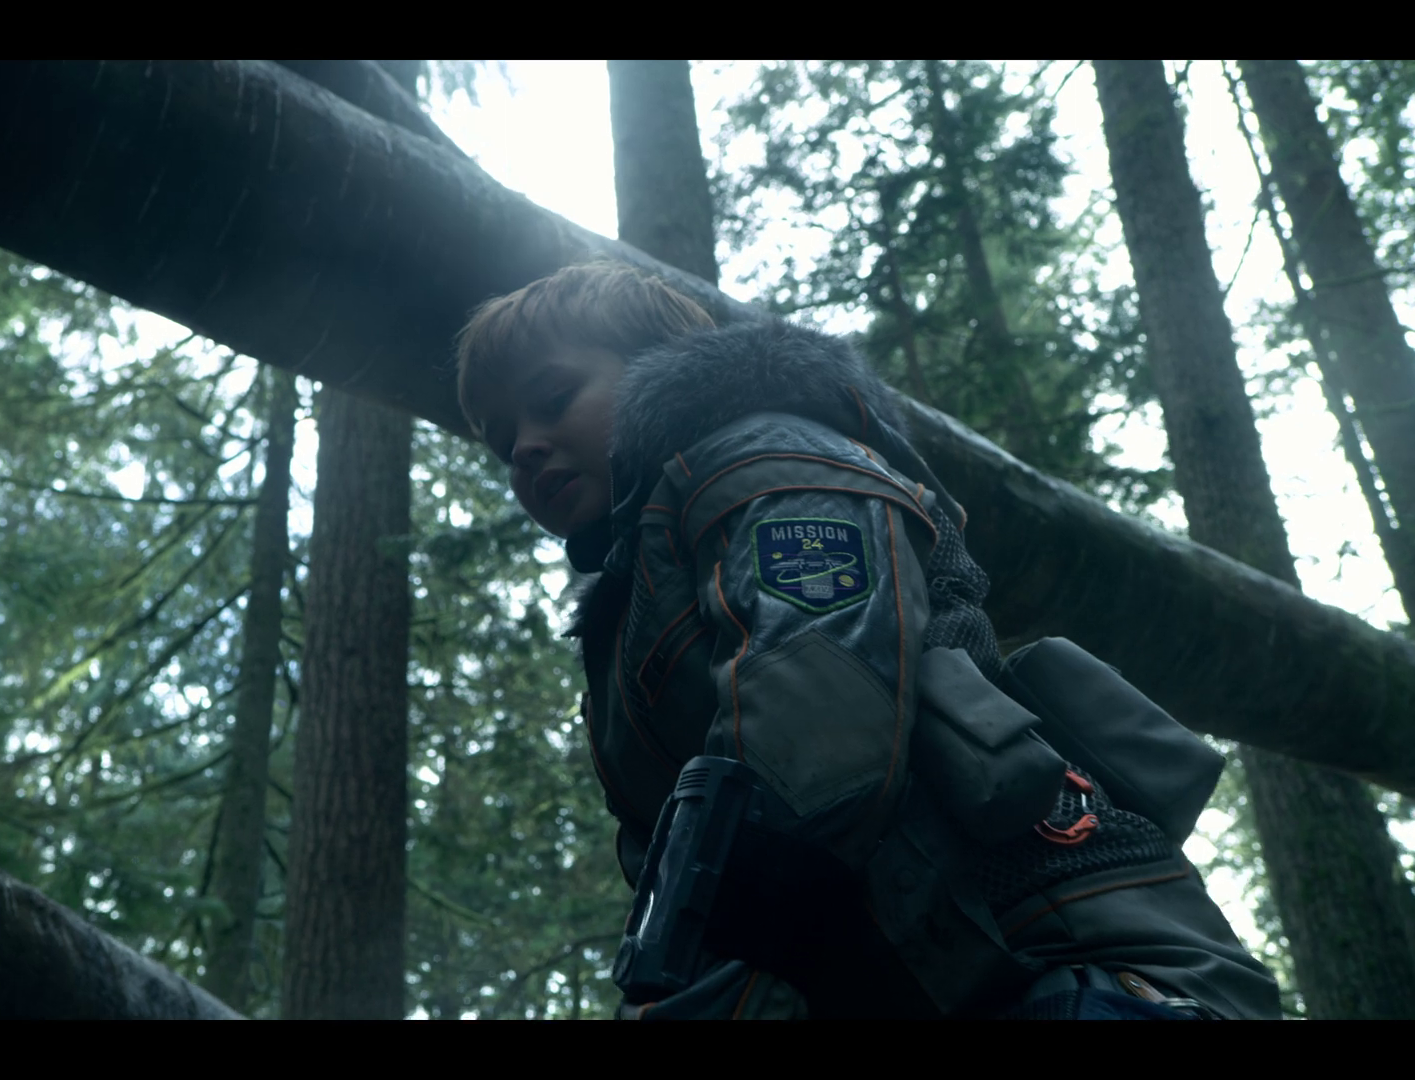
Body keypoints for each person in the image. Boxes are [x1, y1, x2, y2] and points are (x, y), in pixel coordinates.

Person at [455, 262, 1280, 1020]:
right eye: (501, 441)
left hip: (1080, 967)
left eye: (552, 398)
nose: (524, 446)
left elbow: (821, 729)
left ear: (653, 367)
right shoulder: (636, 591)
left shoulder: (767, 459)